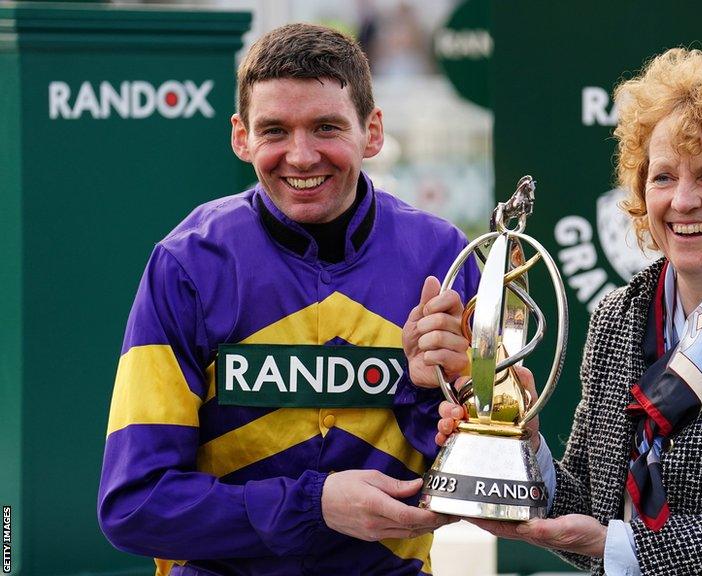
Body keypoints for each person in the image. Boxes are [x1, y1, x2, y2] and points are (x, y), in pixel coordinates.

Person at [436, 46, 702, 574]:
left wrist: (618, 549)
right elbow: (591, 508)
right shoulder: (617, 318)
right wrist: (521, 444)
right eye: (664, 177)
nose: (683, 200)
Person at [98, 23, 478, 575]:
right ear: (241, 136)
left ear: (372, 132)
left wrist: (449, 394)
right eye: (274, 130)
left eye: (326, 127)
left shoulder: (444, 256)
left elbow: (482, 473)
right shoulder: (188, 263)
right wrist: (316, 506)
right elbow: (133, 505)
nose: (300, 157)